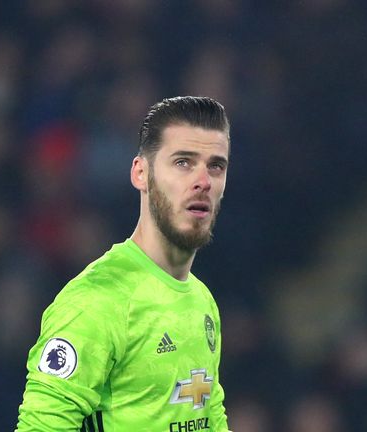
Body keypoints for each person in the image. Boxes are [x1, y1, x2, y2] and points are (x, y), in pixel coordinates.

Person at [16, 96, 231, 431]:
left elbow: (210, 418)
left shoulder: (203, 302)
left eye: (215, 166)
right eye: (183, 163)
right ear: (141, 173)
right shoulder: (97, 301)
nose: (203, 181)